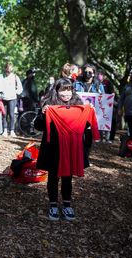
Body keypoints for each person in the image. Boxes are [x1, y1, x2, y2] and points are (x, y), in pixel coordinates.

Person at [34, 78, 99, 221]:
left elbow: (85, 126)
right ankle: (53, 205)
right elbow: (38, 126)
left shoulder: (78, 105)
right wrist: (44, 114)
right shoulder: (48, 105)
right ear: (56, 91)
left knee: (67, 177)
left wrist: (89, 113)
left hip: (70, 147)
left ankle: (67, 204)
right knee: (53, 176)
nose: (66, 93)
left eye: (69, 89)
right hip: (53, 148)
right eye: (63, 89)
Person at [1, 62, 23, 137]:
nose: (8, 72)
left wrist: (15, 92)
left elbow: (20, 88)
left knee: (11, 114)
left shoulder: (15, 77)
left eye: (10, 70)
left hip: (12, 98)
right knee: (4, 114)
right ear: (5, 69)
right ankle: (5, 130)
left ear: (12, 69)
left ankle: (12, 130)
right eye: (7, 70)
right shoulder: (2, 77)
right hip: (4, 98)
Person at [118, 70, 132, 139]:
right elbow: (121, 99)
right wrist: (119, 109)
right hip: (129, 113)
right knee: (131, 132)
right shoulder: (126, 86)